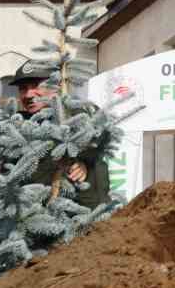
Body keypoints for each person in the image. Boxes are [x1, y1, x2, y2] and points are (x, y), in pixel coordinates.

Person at [8, 66, 111, 209]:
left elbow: (100, 132)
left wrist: (83, 159)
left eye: (36, 86)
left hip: (85, 209)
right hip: (41, 213)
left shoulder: (76, 110)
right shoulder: (20, 125)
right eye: (23, 88)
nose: (28, 94)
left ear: (55, 85)